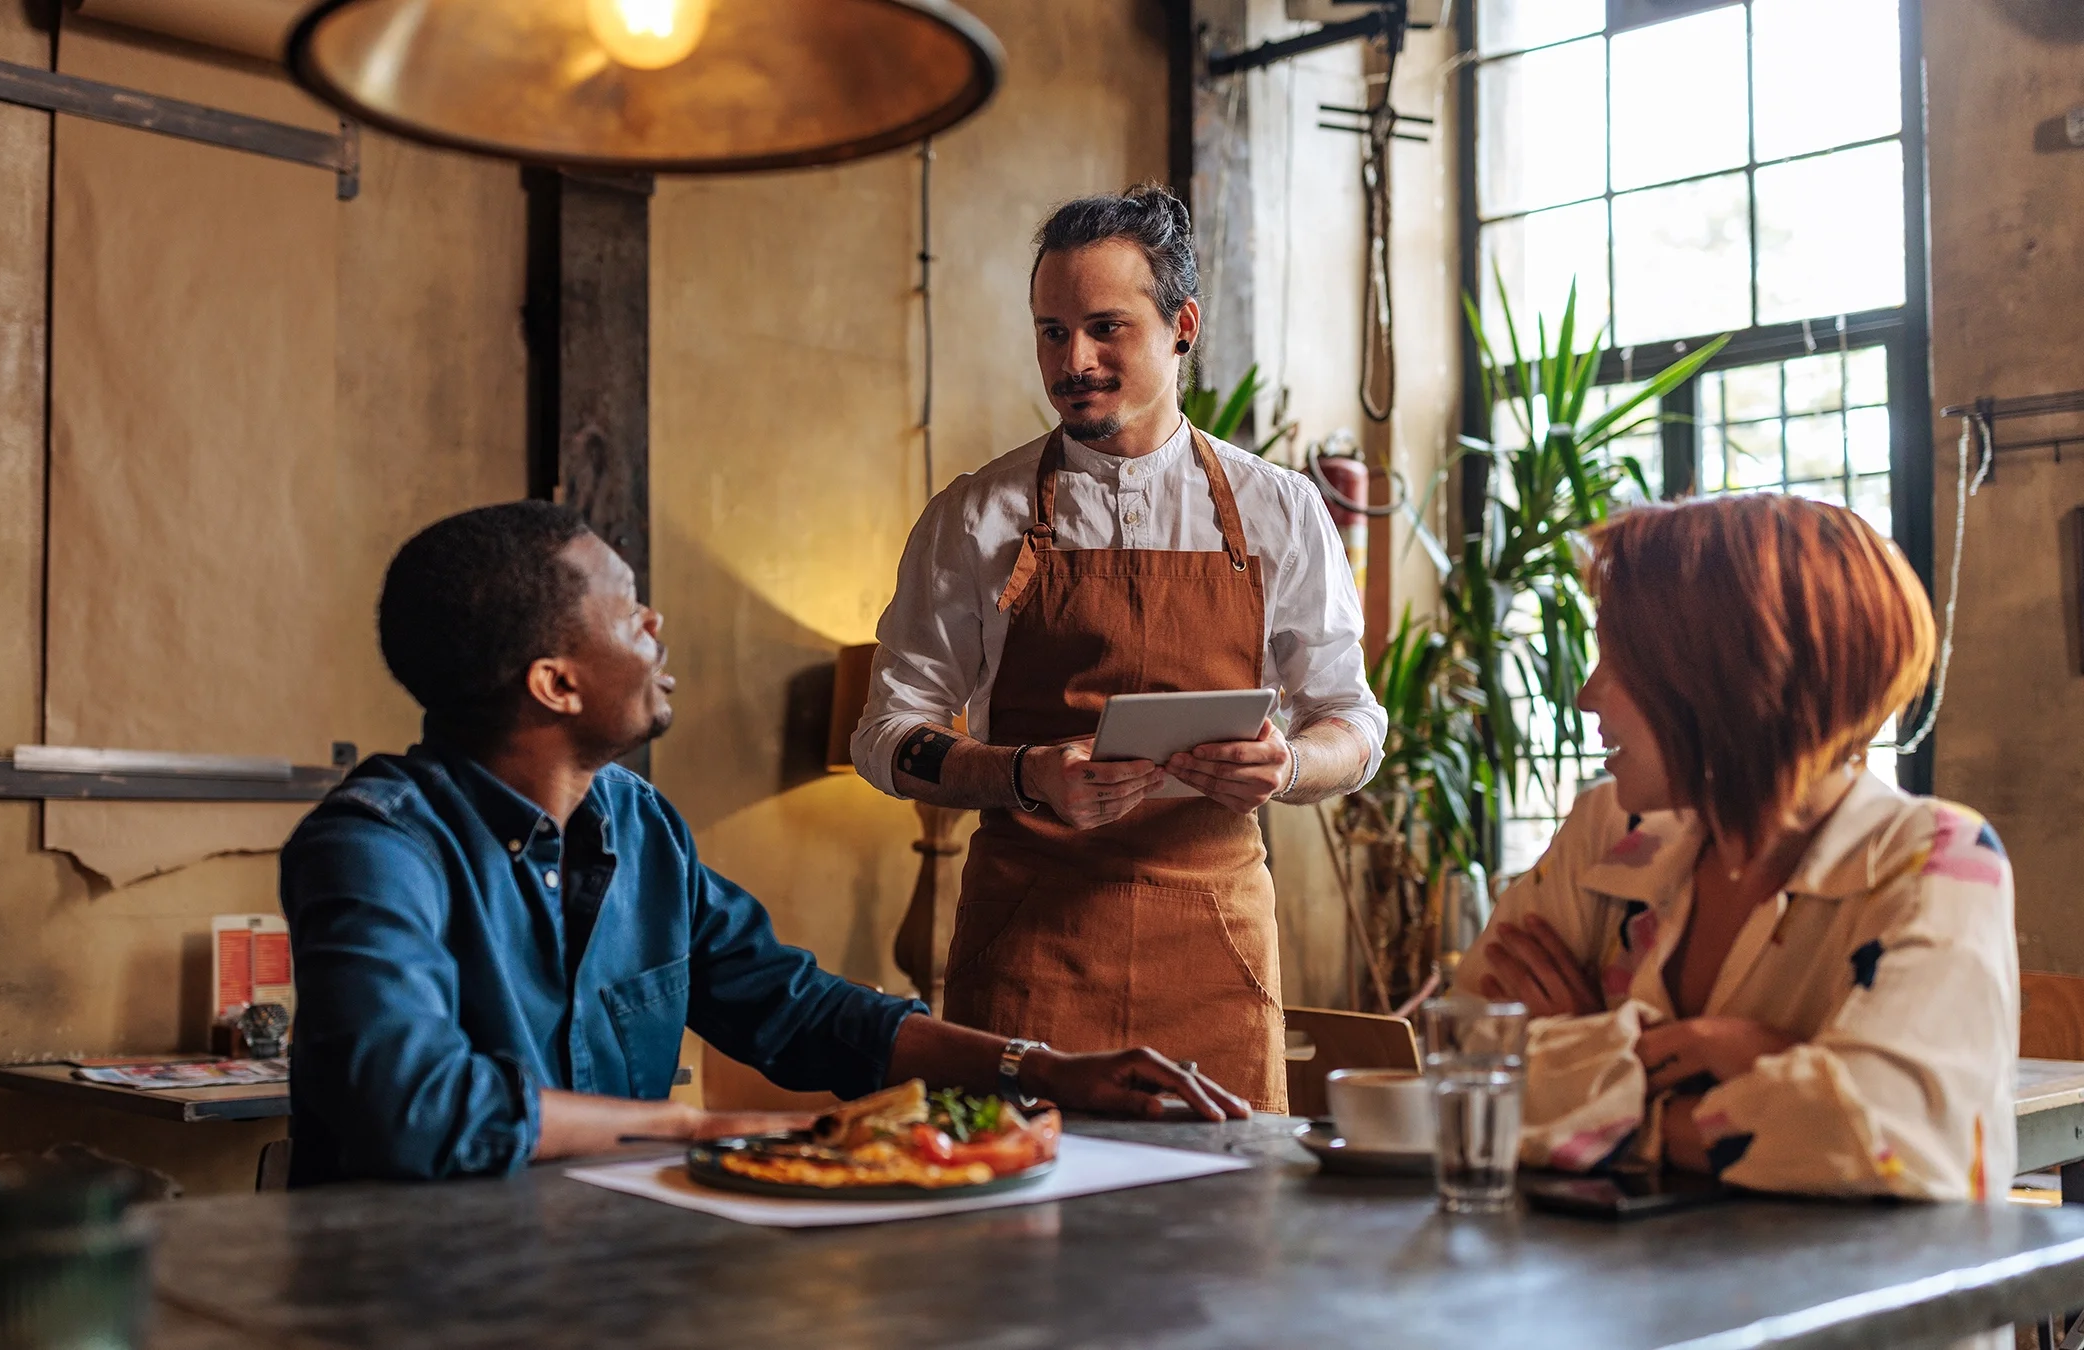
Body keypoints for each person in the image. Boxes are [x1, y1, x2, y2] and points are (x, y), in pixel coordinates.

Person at [279, 502, 1249, 1187]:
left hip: (607, 1279)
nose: (655, 623)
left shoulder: (641, 827)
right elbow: (413, 1109)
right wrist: (701, 1128)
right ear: (556, 685)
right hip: (414, 1298)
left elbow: (800, 1010)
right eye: (627, 608)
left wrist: (1040, 1070)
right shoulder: (374, 845)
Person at [849, 184, 1385, 1112]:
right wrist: (1024, 775)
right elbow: (886, 735)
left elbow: (1354, 721)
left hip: (1216, 948)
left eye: (1106, 329)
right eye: (1052, 332)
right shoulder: (976, 516)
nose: (1074, 361)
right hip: (1028, 950)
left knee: (1225, 1203)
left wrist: (1291, 765)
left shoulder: (1282, 510)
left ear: (1182, 327)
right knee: (1017, 1200)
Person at [1459, 493, 2015, 1200]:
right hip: (1621, 1270)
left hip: (1850, 1276)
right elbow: (1464, 1055)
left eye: (1621, 661)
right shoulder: (1609, 830)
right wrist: (1753, 1070)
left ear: (1726, 680)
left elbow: (1881, 1134)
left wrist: (1592, 1070)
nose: (1587, 695)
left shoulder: (1935, 858)